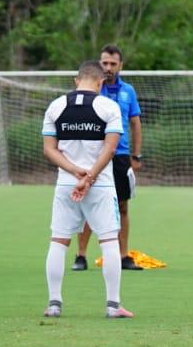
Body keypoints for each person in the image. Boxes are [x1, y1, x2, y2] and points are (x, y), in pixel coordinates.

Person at [40, 61, 133, 319]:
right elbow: (111, 148)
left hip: (66, 184)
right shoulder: (108, 107)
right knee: (109, 241)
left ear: (76, 80)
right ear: (101, 82)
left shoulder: (56, 106)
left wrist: (74, 172)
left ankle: (54, 303)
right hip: (100, 184)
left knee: (59, 240)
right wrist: (90, 176)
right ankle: (113, 305)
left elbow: (49, 149)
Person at [73, 45, 144, 272]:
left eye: (113, 63)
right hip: (94, 155)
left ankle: (124, 256)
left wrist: (136, 154)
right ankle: (80, 255)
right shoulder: (91, 89)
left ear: (120, 65)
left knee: (122, 206)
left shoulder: (128, 92)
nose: (108, 67)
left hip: (121, 155)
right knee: (89, 203)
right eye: (104, 63)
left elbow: (135, 123)